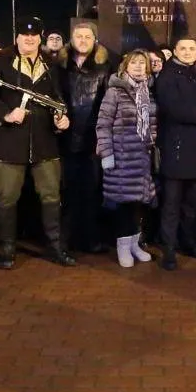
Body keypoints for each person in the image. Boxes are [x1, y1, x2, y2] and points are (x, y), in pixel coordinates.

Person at [0, 17, 75, 269]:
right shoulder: (1, 62)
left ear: (39, 38)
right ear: (17, 37)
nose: (29, 39)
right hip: (8, 144)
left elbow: (59, 98)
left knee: (51, 196)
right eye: (24, 35)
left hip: (45, 144)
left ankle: (54, 246)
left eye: (33, 35)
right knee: (6, 197)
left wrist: (61, 117)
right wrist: (5, 114)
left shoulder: (51, 65)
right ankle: (7, 249)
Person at [154, 37, 196, 270]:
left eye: (192, 48)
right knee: (172, 203)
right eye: (183, 48)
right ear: (174, 52)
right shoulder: (168, 75)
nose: (188, 52)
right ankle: (169, 250)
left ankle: (188, 242)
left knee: (192, 203)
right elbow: (174, 109)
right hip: (176, 147)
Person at [55, 20, 115, 254]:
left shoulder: (105, 67)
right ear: (71, 39)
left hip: (92, 139)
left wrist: (102, 135)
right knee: (67, 191)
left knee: (91, 191)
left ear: (95, 41)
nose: (82, 40)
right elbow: (56, 96)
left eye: (87, 37)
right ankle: (66, 240)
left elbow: (108, 103)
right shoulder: (59, 66)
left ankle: (91, 239)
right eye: (78, 36)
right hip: (65, 137)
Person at [95, 50, 158, 268]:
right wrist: (107, 154)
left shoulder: (147, 91)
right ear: (125, 66)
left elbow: (152, 124)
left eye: (143, 63)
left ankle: (134, 244)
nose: (139, 67)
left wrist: (152, 141)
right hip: (121, 158)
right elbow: (103, 124)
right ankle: (122, 246)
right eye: (134, 63)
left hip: (141, 159)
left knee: (136, 204)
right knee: (122, 204)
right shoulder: (115, 92)